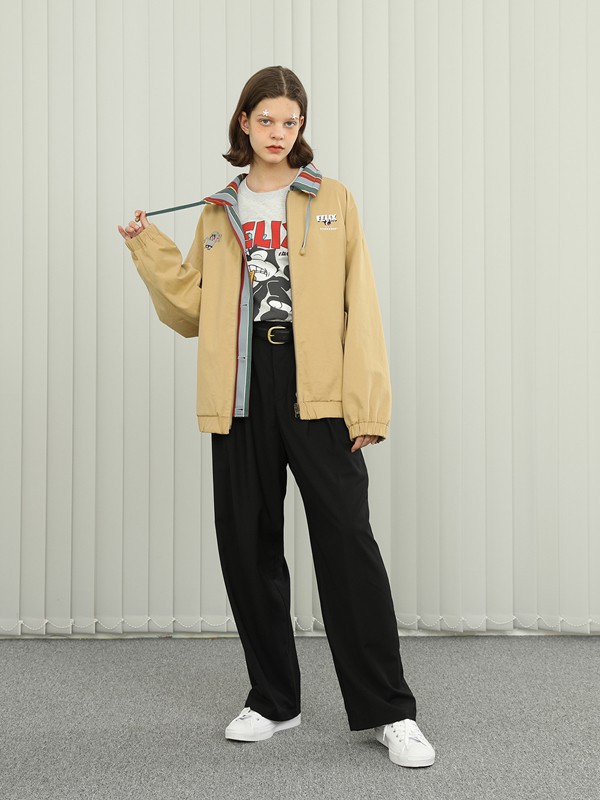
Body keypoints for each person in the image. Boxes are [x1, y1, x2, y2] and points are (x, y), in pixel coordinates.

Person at [118, 65, 435, 769]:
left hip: (318, 384)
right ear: (244, 122)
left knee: (347, 542)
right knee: (247, 543)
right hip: (240, 386)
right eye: (265, 119)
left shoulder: (331, 199)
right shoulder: (218, 209)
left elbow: (361, 303)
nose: (277, 132)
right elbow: (190, 310)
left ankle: (390, 711)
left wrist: (368, 402)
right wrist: (146, 244)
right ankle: (273, 700)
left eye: (290, 121)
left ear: (301, 128)